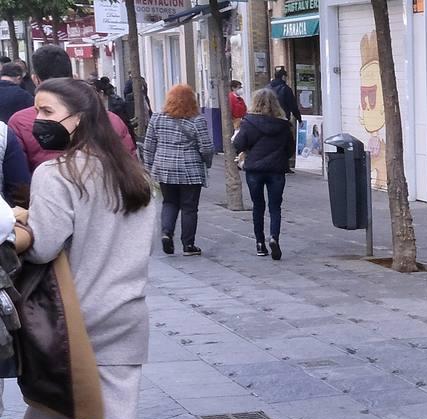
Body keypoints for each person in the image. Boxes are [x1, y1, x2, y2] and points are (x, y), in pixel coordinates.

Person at [6, 77, 157, 419]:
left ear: (79, 118)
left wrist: (18, 225)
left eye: (48, 113)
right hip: (128, 310)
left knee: (50, 395)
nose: (39, 123)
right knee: (117, 414)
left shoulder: (58, 174)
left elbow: (44, 247)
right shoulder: (138, 176)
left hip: (70, 315)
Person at [10, 46, 135, 171]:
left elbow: (18, 178)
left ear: (35, 79)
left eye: (47, 112)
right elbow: (131, 167)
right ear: (73, 76)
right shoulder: (110, 119)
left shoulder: (20, 122)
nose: (39, 118)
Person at [141, 83, 214, 257]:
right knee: (189, 207)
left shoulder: (157, 118)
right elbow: (206, 147)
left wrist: (150, 168)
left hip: (164, 169)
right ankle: (188, 245)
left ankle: (167, 233)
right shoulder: (197, 120)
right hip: (190, 170)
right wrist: (207, 162)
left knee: (169, 202)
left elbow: (149, 146)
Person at [231, 88, 292, 260]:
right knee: (275, 207)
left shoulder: (249, 123)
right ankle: (274, 237)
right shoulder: (284, 125)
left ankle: (259, 244)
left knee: (258, 206)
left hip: (255, 170)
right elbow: (289, 151)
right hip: (276, 170)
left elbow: (238, 144)